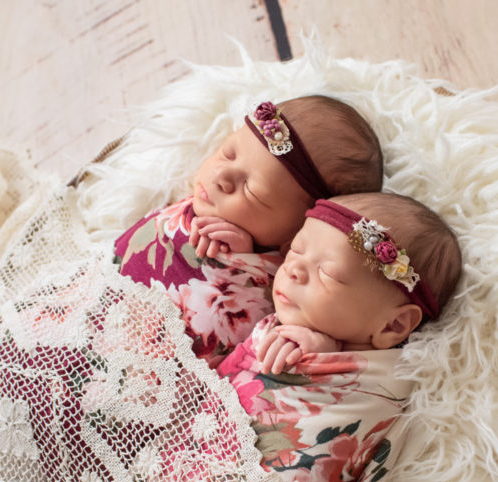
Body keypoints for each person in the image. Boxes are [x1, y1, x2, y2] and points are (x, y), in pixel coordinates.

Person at [215, 192, 463, 482]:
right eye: (296, 251)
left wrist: (318, 354)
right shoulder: (283, 325)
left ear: (393, 325)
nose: (293, 270)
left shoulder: (388, 380)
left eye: (328, 274)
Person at [114, 96, 383, 363]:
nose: (222, 177)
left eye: (252, 191)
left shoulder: (292, 286)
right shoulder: (193, 201)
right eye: (228, 153)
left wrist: (247, 261)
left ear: (297, 234)